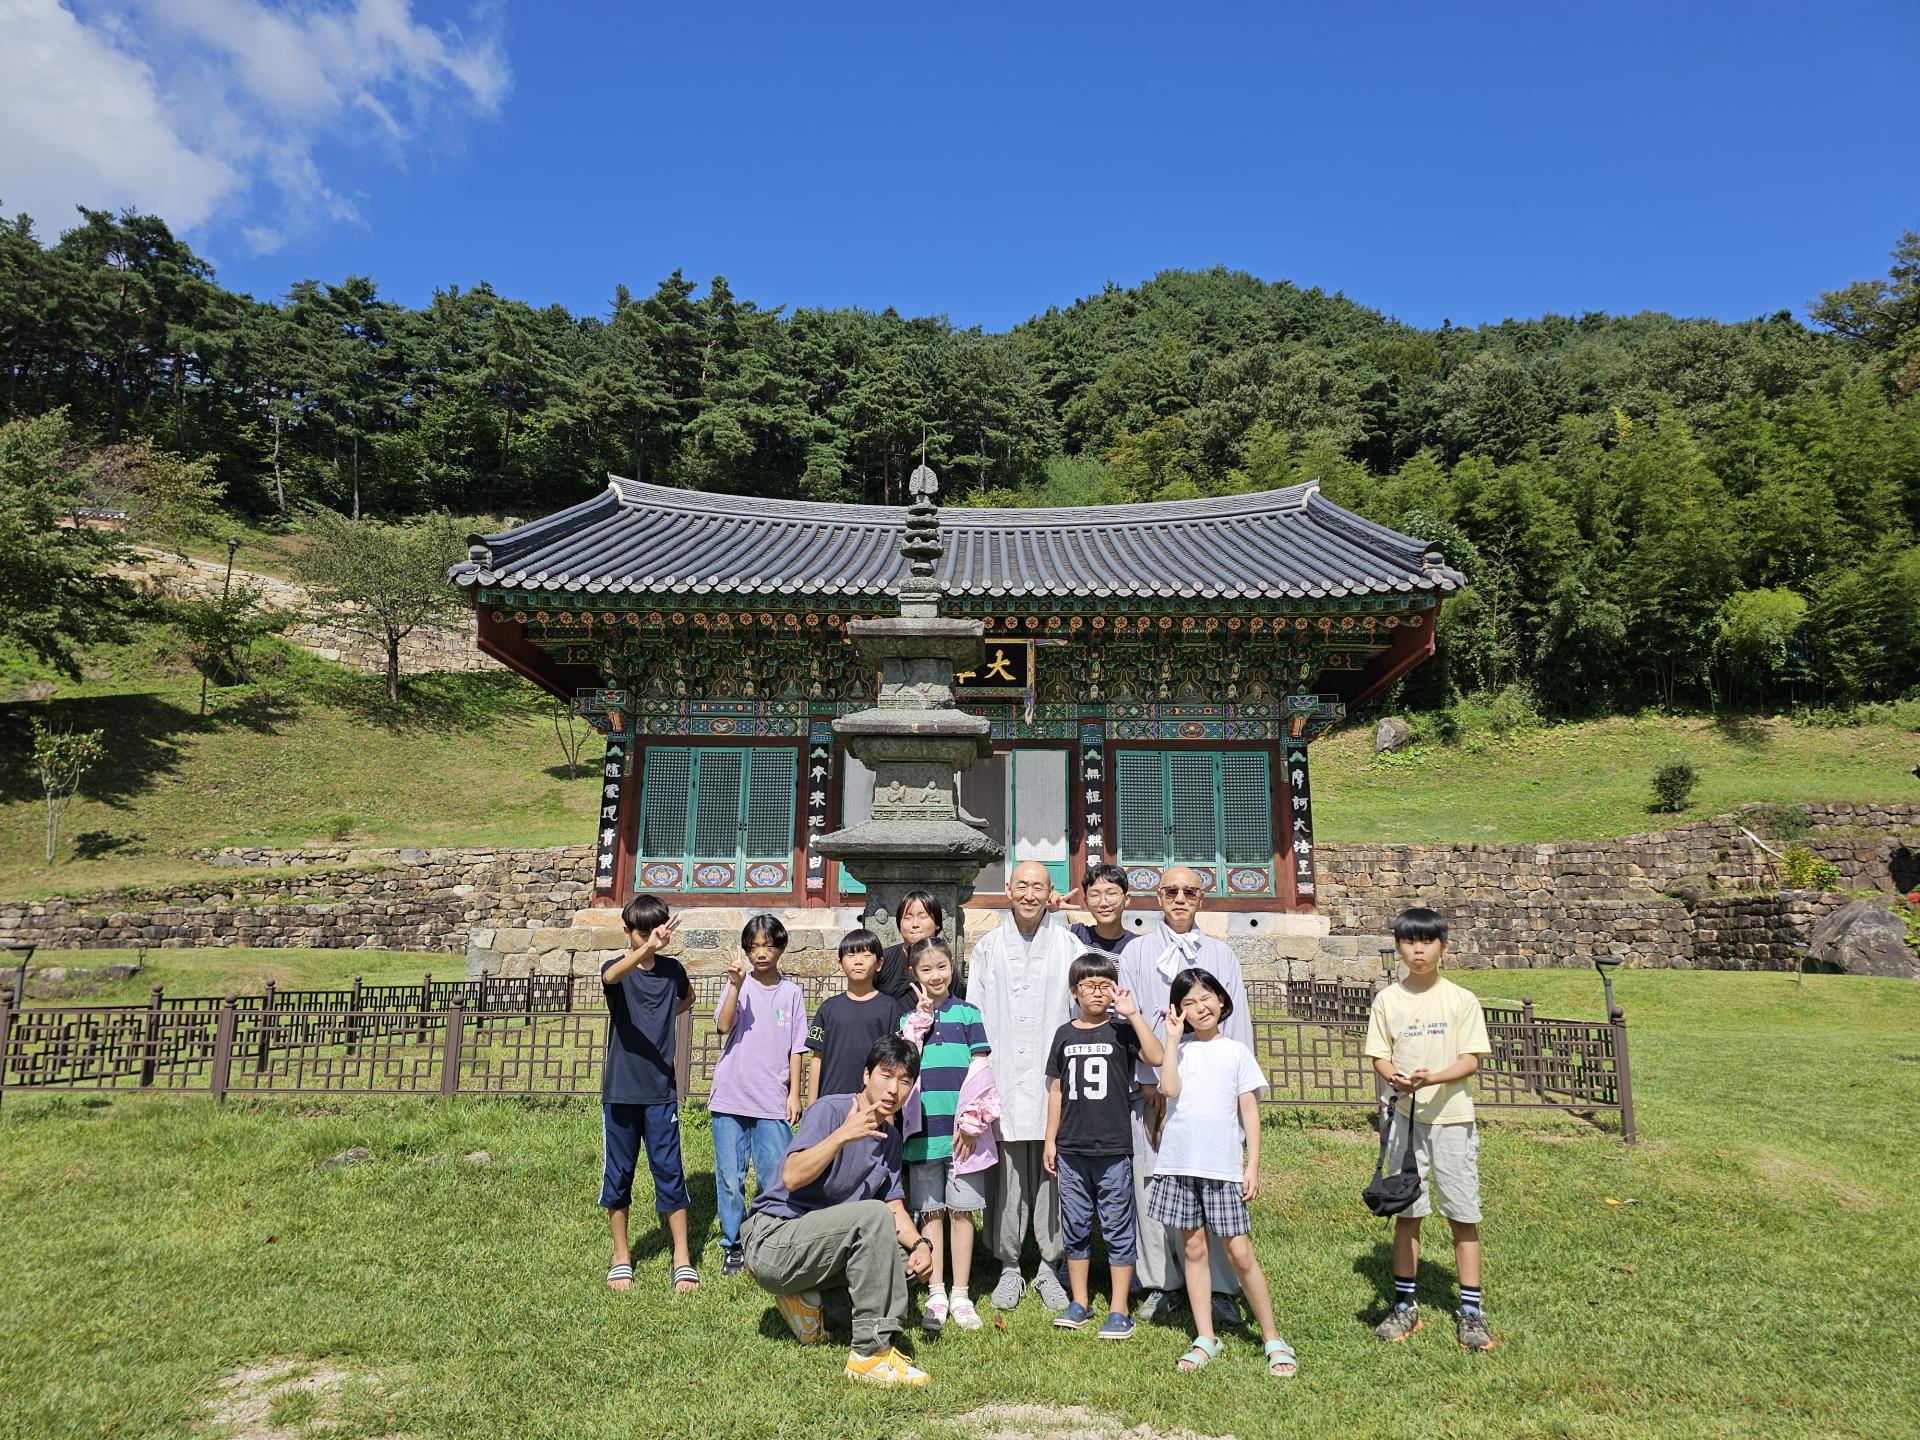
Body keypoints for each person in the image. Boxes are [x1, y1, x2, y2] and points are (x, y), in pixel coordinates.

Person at [742, 1034, 935, 1387]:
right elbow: (791, 1176)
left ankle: (809, 1301)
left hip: (816, 1247)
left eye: (904, 1081)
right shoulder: (830, 1111)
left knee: (901, 1263)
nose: (893, 1089)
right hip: (772, 1240)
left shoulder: (891, 1139)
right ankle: (870, 1354)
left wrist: (921, 1244)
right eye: (886, 1075)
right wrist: (843, 1135)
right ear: (866, 1075)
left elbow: (893, 1204)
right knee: (872, 1218)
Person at [1119, 866, 1256, 1325]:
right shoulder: (1137, 952)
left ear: (1202, 898)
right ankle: (1161, 1281)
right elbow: (1131, 1020)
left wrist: (1237, 1093)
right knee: (1154, 1184)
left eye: (1189, 892)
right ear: (1158, 897)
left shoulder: (1221, 954)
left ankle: (1220, 1286)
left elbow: (1238, 1025)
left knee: (1215, 1180)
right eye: (1171, 891)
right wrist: (1146, 1079)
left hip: (1212, 1095)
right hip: (1154, 1089)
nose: (1180, 898)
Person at [1148, 967, 1293, 1378]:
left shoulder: (1237, 1052)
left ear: (1222, 1001)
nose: (1200, 1007)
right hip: (1179, 1163)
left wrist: (1253, 1164)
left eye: (1206, 997)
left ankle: (1272, 1337)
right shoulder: (1180, 1051)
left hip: (1222, 1167)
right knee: (1193, 1249)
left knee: (1240, 1252)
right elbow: (1169, 1090)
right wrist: (1172, 1039)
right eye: (1189, 1003)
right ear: (1179, 1011)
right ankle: (1205, 1336)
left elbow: (1250, 1112)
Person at [1364, 907, 1495, 1353]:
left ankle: (1471, 1310)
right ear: (1398, 947)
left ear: (1443, 947)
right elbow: (1379, 1055)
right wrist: (1396, 1078)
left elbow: (1470, 1059)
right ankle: (1405, 1304)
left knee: (1462, 1213)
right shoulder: (1388, 1000)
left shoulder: (1460, 1000)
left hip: (1452, 1119)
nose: (1418, 950)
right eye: (1409, 942)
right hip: (1405, 1118)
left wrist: (1431, 1078)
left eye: (1427, 942)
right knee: (1407, 1211)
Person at [969, 858, 1082, 1312]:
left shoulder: (1069, 945)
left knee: (1053, 1173)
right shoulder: (988, 947)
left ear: (1050, 892)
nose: (1030, 894)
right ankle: (1010, 1265)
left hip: (1054, 1079)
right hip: (1004, 1078)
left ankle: (1050, 1265)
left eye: (1039, 886)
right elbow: (976, 1015)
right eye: (1022, 885)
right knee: (1008, 1176)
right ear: (1009, 891)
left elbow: (1085, 1009)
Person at [1042, 951, 1165, 1339]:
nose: (1096, 992)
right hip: (1072, 1147)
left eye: (1104, 985)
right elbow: (1056, 1091)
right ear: (1074, 991)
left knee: (1117, 1225)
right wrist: (1050, 1140)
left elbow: (1157, 1056)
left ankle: (1119, 1307)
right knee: (1075, 1225)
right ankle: (1079, 1301)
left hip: (1112, 1147)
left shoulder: (1121, 1031)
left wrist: (1132, 1014)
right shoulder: (1064, 1034)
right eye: (1088, 985)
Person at [598, 894, 697, 1293]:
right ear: (628, 931)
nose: (651, 938)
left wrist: (663, 1015)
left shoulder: (672, 971)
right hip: (621, 1091)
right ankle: (621, 1256)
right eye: (642, 933)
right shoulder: (618, 968)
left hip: (661, 1091)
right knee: (619, 1173)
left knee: (669, 1170)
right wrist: (644, 950)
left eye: (655, 932)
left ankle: (682, 1257)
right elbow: (610, 977)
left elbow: (688, 997)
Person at [897, 935, 993, 1331]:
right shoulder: (908, 1021)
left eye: (942, 967)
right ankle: (936, 1290)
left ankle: (961, 1293)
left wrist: (971, 1123)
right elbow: (904, 1065)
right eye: (926, 969)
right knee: (931, 1210)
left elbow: (981, 1070)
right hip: (924, 1131)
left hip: (963, 1134)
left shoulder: (968, 1014)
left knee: (962, 1211)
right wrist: (918, 1024)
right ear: (913, 974)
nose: (935, 975)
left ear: (953, 966)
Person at [709, 914, 808, 1277]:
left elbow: (797, 1048)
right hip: (730, 1096)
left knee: (774, 1177)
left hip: (772, 1098)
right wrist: (735, 986)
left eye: (768, 945)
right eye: (754, 947)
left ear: (781, 947)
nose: (761, 953)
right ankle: (733, 1244)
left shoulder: (792, 993)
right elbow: (723, 1026)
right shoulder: (739, 984)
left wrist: (794, 1093)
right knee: (730, 1178)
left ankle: (769, 1238)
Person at [807, 929, 907, 1103]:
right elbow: (817, 1059)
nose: (858, 961)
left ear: (879, 963)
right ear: (840, 963)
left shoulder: (890, 1007)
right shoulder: (828, 1008)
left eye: (866, 955)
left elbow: (894, 1059)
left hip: (873, 1102)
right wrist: (812, 1106)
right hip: (830, 1101)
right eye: (851, 955)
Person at [877, 889, 957, 1003]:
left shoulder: (945, 964)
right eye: (907, 918)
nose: (915, 924)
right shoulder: (883, 960)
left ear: (937, 923)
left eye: (923, 917)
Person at [1068, 863, 1140, 957]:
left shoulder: (1137, 947)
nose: (1103, 903)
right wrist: (1050, 908)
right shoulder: (1074, 934)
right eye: (1095, 895)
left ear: (1126, 899)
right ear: (1086, 902)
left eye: (1111, 894)